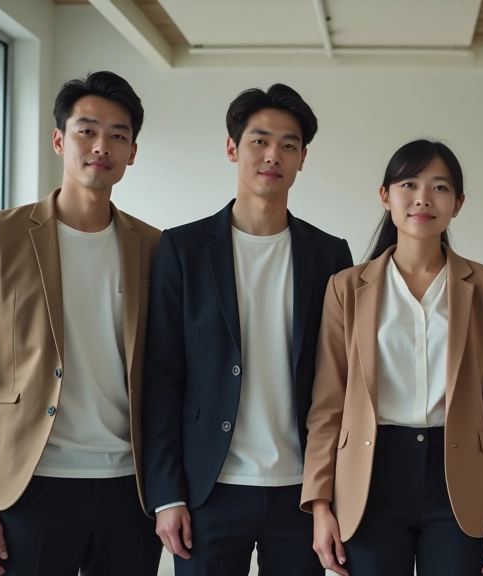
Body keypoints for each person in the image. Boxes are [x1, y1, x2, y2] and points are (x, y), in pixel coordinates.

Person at [0, 71, 163, 575]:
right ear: (60, 139)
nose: (101, 145)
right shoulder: (0, 235)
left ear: (132, 152)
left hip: (129, 487)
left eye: (118, 135)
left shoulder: (153, 247)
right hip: (29, 485)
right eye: (87, 130)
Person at [142, 83, 353, 576]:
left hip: (302, 492)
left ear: (303, 159)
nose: (273, 155)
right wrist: (168, 493)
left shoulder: (330, 255)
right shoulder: (183, 249)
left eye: (289, 145)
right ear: (232, 148)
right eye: (259, 140)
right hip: (208, 491)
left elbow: (341, 377)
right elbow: (161, 376)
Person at [301, 139, 483, 576]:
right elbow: (328, 403)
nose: (423, 198)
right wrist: (320, 503)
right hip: (368, 477)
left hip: (459, 477)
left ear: (458, 204)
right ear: (385, 196)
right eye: (409, 183)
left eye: (440, 188)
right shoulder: (346, 288)